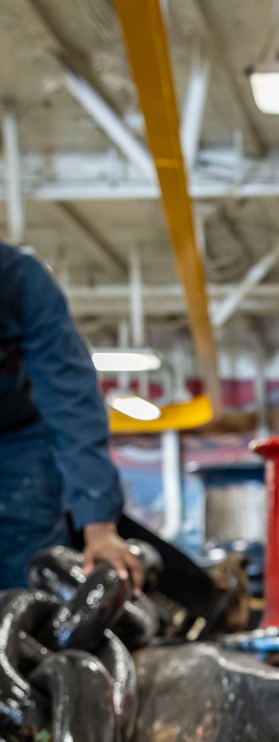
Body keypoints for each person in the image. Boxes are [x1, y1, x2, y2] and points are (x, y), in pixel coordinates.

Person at [0, 242, 142, 593]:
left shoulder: (20, 280)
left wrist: (100, 528)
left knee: (29, 573)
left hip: (18, 439)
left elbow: (70, 400)